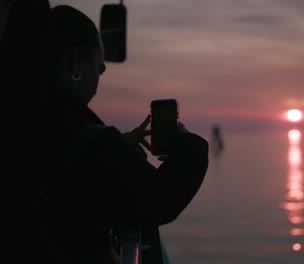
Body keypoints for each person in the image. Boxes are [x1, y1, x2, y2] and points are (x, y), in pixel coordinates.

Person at [37, 4, 209, 264]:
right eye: (99, 67)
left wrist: (117, 146)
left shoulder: (22, 117)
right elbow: (160, 199)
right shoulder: (81, 135)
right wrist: (187, 144)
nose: (99, 77)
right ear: (77, 62)